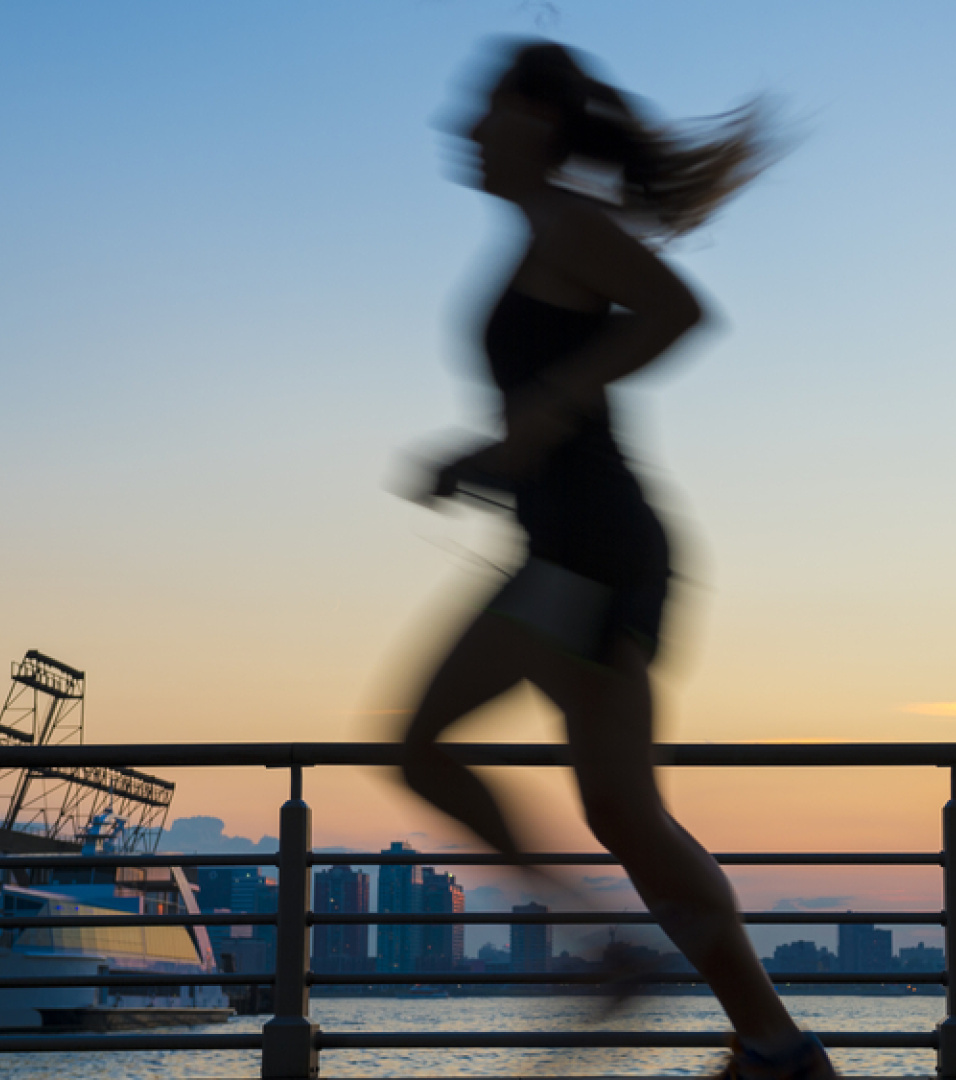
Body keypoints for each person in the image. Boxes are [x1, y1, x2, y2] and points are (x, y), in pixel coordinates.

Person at [396, 40, 834, 1080]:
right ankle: (776, 1045)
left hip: (588, 547)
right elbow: (563, 417)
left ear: (539, 119)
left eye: (485, 107)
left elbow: (678, 312)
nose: (462, 128)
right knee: (626, 813)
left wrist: (539, 416)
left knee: (421, 745)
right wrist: (487, 456)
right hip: (597, 540)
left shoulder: (567, 223)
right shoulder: (546, 233)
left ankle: (605, 947)